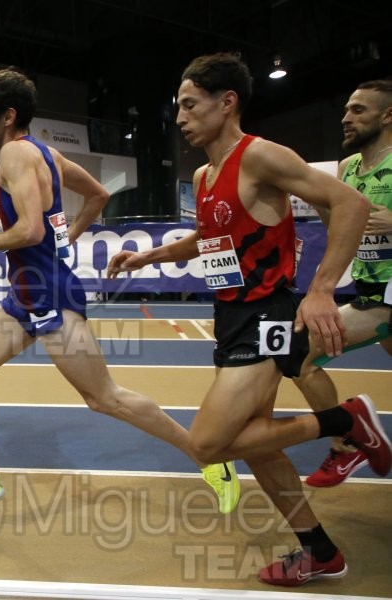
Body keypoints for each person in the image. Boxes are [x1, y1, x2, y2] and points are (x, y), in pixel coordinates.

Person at [107, 53, 390, 587]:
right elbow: (208, 241)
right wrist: (146, 258)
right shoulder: (204, 173)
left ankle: (346, 420)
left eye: (191, 105)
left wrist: (323, 290)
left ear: (227, 102)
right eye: (178, 108)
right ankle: (319, 551)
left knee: (209, 445)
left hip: (266, 315)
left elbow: (348, 204)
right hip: (230, 317)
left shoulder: (260, 156)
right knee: (260, 445)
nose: (181, 118)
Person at [0, 67, 241, 515]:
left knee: (104, 397)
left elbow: (28, 228)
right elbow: (98, 195)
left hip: (50, 296)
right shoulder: (49, 155)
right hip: (27, 293)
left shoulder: (15, 156)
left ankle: (208, 456)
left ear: (7, 116)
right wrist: (64, 242)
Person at [293, 79, 392, 487]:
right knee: (301, 357)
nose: (345, 118)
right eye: (347, 109)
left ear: (388, 116)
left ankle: (346, 444)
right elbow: (341, 232)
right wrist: (316, 199)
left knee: (300, 355)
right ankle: (350, 441)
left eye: (358, 111)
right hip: (371, 295)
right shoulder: (349, 168)